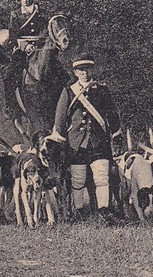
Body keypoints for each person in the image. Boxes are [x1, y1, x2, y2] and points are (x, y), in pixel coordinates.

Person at [50, 56, 123, 222]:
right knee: (78, 179)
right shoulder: (69, 91)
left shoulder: (102, 90)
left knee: (102, 177)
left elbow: (112, 113)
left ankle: (104, 211)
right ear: (75, 72)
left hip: (98, 141)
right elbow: (60, 118)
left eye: (88, 69)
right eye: (81, 69)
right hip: (77, 142)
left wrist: (116, 132)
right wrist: (61, 139)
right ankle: (80, 211)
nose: (85, 73)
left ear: (93, 70)